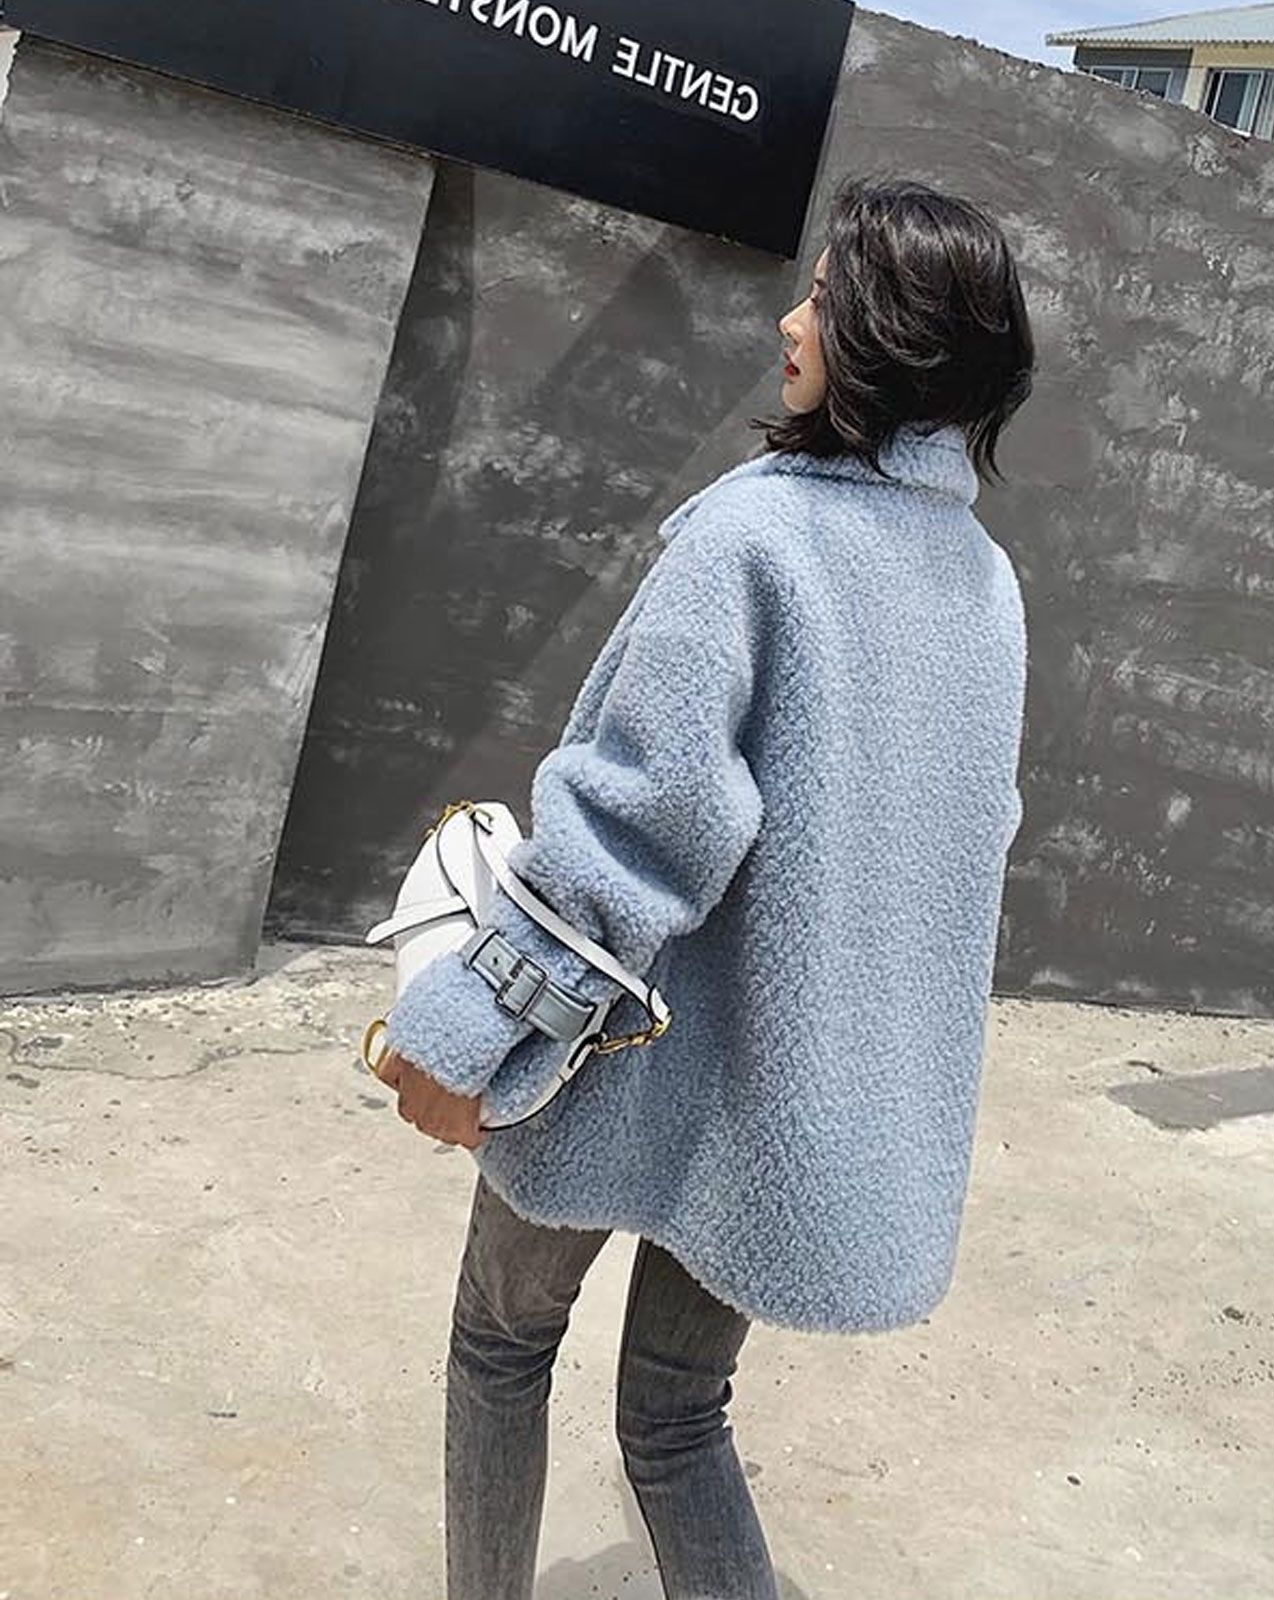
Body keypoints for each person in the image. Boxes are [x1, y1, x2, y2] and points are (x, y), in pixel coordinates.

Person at [373, 176, 1036, 1600]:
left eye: (825, 300)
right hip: (772, 1101)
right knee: (678, 1422)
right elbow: (962, 859)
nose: (790, 322)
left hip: (612, 1055)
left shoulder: (754, 540)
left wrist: (467, 1031)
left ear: (890, 339)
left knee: (501, 1348)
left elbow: (638, 826)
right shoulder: (984, 585)